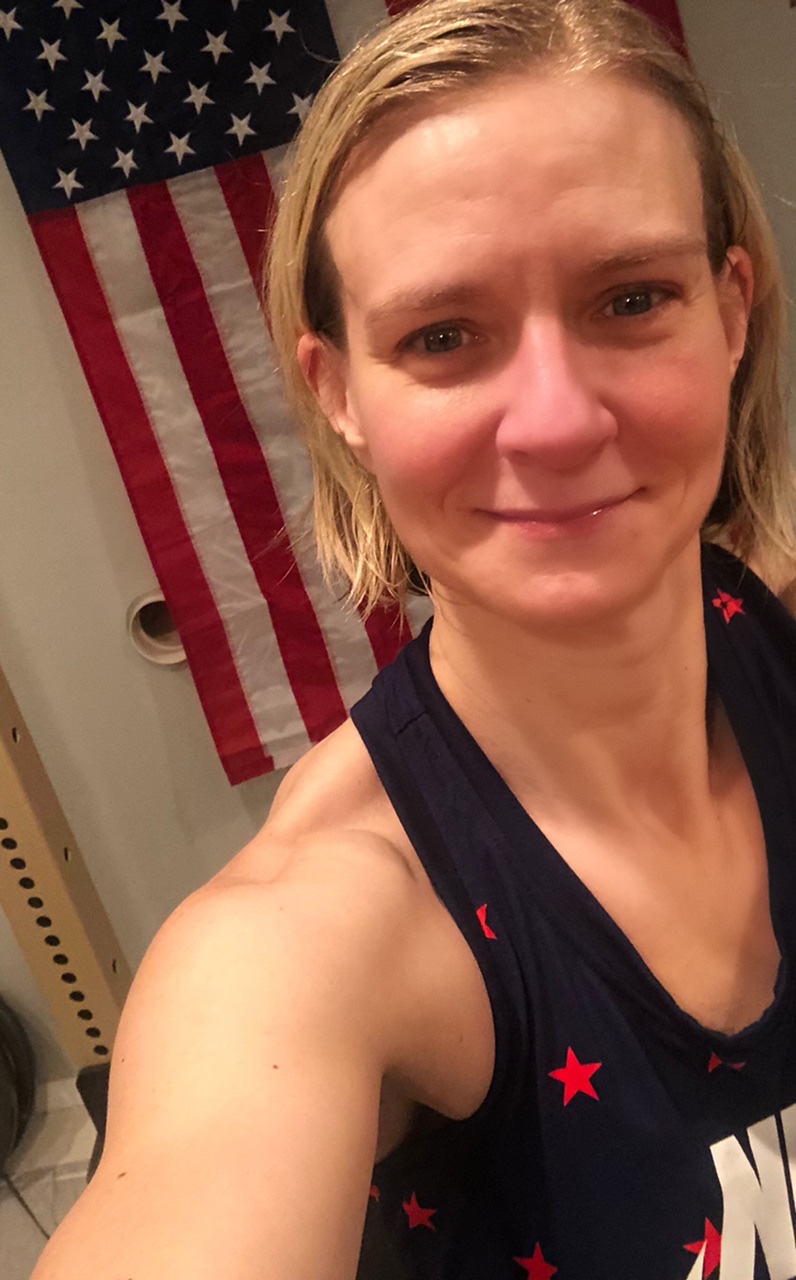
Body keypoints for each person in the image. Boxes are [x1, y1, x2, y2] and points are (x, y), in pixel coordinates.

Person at [34, 1, 796, 1278]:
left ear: (728, 313)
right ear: (338, 390)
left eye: (630, 297)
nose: (554, 421)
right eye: (442, 336)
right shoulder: (312, 935)